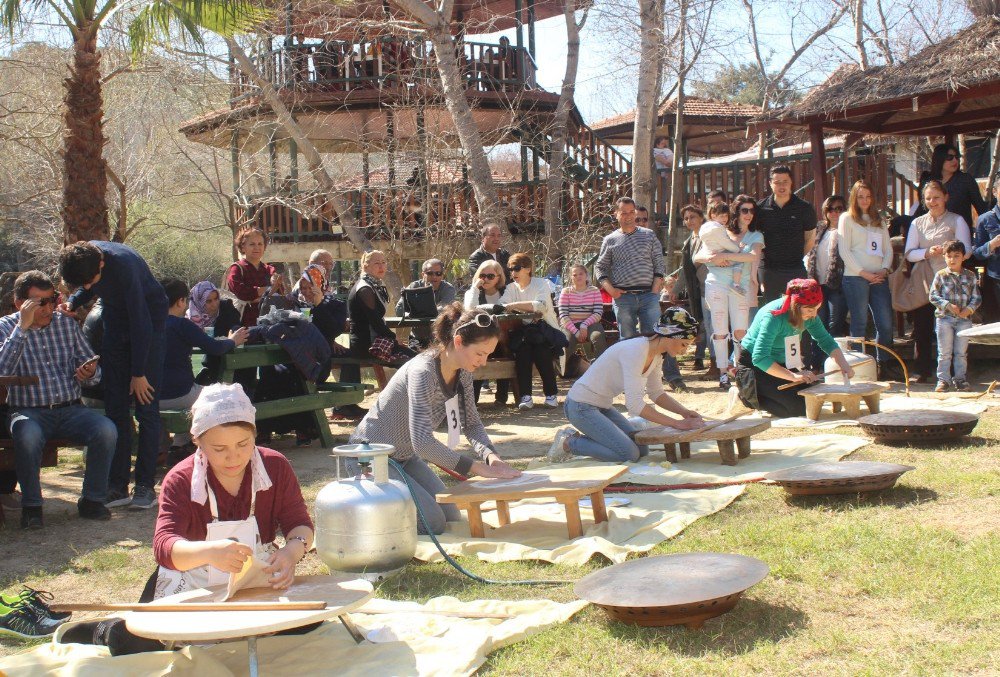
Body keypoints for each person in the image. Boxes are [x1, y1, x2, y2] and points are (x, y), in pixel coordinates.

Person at [58, 383, 315, 655]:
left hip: (252, 579)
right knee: (138, 644)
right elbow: (164, 546)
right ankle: (108, 629)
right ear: (198, 442)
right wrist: (209, 552)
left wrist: (291, 551)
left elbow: (299, 524)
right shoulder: (181, 478)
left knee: (310, 621)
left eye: (243, 444)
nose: (233, 456)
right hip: (191, 577)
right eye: (219, 448)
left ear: (255, 435)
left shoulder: (275, 465)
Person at [350, 305, 520, 534]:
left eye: (488, 355)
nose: (483, 362)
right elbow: (422, 442)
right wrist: (477, 468)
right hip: (368, 457)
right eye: (480, 354)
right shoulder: (423, 371)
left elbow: (471, 423)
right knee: (433, 523)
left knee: (451, 515)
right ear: (458, 341)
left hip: (403, 458)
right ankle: (363, 514)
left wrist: (491, 457)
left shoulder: (464, 372)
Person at [0, 271, 116, 529]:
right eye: (39, 302)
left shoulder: (66, 324)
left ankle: (92, 500)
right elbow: (2, 371)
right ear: (20, 304)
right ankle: (32, 506)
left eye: (51, 299)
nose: (48, 307)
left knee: (106, 430)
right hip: (28, 410)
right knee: (27, 436)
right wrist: (23, 328)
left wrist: (89, 372)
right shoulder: (5, 327)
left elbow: (91, 369)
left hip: (71, 408)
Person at [59, 240, 168, 510]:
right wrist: (73, 301)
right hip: (116, 327)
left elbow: (141, 322)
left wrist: (139, 373)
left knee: (146, 409)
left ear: (102, 264)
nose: (87, 287)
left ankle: (144, 486)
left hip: (148, 328)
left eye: (90, 281)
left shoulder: (124, 265)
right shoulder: (83, 259)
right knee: (116, 409)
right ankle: (117, 486)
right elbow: (85, 287)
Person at [549, 307, 704, 463]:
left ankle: (598, 435)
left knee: (642, 448)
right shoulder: (636, 350)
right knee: (628, 454)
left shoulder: (656, 355)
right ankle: (569, 443)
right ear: (670, 336)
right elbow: (634, 405)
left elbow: (656, 393)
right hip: (580, 406)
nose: (684, 351)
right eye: (684, 344)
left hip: (602, 407)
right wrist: (677, 424)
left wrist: (684, 412)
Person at [160, 279, 248, 465]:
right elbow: (214, 347)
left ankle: (177, 445)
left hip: (148, 395)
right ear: (181, 302)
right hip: (179, 393)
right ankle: (222, 444)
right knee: (220, 396)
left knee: (194, 393)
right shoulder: (181, 325)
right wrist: (233, 341)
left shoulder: (149, 324)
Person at [737, 279, 854, 418]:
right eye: (810, 310)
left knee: (813, 398)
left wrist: (844, 364)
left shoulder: (809, 314)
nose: (814, 315)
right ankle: (746, 395)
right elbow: (760, 357)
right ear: (796, 306)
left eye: (817, 309)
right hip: (755, 365)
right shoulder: (774, 316)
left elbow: (825, 340)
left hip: (782, 363)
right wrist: (793, 376)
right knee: (797, 409)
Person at [904, 180, 973, 383]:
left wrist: (950, 251)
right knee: (923, 327)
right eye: (928, 198)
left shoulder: (957, 220)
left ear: (945, 197)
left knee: (952, 328)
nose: (932, 202)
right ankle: (922, 369)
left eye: (936, 197)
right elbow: (909, 254)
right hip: (926, 281)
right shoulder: (917, 223)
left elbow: (967, 250)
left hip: (952, 283)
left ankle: (954, 374)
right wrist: (927, 252)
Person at [694, 196, 765, 388]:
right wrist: (711, 258)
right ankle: (723, 373)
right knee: (719, 330)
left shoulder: (755, 235)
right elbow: (698, 256)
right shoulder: (719, 231)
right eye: (744, 210)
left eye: (752, 210)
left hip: (740, 288)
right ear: (736, 212)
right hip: (716, 284)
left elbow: (751, 257)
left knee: (741, 330)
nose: (748, 214)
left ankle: (740, 370)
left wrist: (723, 255)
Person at [838, 180, 895, 376]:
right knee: (859, 322)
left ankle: (884, 364)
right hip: (856, 277)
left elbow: (887, 250)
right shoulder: (847, 218)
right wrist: (864, 273)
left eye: (868, 196)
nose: (865, 200)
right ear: (854, 198)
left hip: (878, 277)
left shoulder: (878, 220)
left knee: (885, 322)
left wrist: (884, 269)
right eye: (860, 196)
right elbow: (845, 251)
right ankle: (859, 368)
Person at [499, 253, 563, 409]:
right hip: (523, 333)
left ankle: (551, 395)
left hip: (546, 331)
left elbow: (539, 306)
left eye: (517, 268)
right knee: (522, 352)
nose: (513, 273)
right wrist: (514, 306)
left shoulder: (541, 284)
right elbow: (502, 305)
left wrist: (514, 305)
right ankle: (525, 396)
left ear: (528, 269)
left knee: (542, 351)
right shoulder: (510, 287)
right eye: (510, 269)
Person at [341, 250, 415, 385]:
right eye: (376, 263)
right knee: (414, 360)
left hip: (375, 340)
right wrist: (394, 340)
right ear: (365, 266)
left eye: (383, 262)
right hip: (368, 345)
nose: (381, 267)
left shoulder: (373, 285)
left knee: (415, 358)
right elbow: (376, 323)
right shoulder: (364, 289)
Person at [755, 166, 817, 302]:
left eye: (785, 181)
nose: (781, 186)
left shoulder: (804, 208)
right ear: (770, 183)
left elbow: (810, 239)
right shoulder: (760, 208)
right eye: (777, 182)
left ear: (791, 183)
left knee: (796, 311)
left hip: (795, 268)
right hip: (768, 269)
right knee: (772, 310)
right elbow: (755, 240)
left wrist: (794, 256)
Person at [929, 240, 980, 392]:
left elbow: (977, 298)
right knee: (944, 352)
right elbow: (933, 296)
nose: (952, 259)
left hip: (964, 320)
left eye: (956, 256)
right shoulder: (941, 275)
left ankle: (960, 379)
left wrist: (969, 310)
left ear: (963, 257)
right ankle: (943, 380)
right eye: (949, 256)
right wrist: (948, 305)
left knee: (961, 352)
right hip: (944, 319)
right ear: (944, 257)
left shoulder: (970, 276)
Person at [671, 205, 712, 384]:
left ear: (701, 217)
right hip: (697, 291)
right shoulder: (689, 241)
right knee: (703, 326)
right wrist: (675, 289)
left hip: (712, 287)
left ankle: (718, 365)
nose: (689, 221)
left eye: (692, 217)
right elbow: (684, 271)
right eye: (686, 218)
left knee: (712, 328)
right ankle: (709, 362)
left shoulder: (708, 236)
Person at [806, 195, 848, 370]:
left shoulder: (847, 229)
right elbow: (809, 252)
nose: (835, 212)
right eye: (831, 209)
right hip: (818, 283)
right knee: (818, 324)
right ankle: (817, 363)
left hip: (837, 283)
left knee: (835, 322)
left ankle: (833, 363)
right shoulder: (819, 229)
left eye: (839, 208)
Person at [464, 259, 509, 405]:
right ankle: (473, 400)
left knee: (507, 350)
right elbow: (469, 310)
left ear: (499, 277)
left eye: (490, 276)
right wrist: (476, 288)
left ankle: (502, 398)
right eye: (482, 276)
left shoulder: (507, 291)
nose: (486, 279)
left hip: (503, 337)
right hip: (480, 338)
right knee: (476, 354)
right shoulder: (472, 292)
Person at [915, 143, 990, 232]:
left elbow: (981, 208)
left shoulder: (965, 180)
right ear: (939, 159)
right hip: (930, 233)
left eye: (956, 157)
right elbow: (922, 210)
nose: (955, 160)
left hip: (959, 234)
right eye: (950, 157)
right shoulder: (927, 180)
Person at [395, 258, 457, 349]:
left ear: (442, 275)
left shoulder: (448, 289)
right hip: (417, 338)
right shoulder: (414, 286)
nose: (434, 276)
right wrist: (425, 311)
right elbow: (399, 309)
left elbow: (444, 310)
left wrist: (415, 311)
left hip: (440, 339)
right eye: (430, 273)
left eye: (438, 273)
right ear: (423, 274)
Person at [225, 226, 277, 328]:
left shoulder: (270, 270)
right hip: (243, 324)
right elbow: (240, 293)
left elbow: (277, 294)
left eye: (260, 244)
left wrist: (256, 298)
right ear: (243, 246)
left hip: (269, 323)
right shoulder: (237, 269)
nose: (256, 247)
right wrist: (263, 291)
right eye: (252, 244)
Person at [698, 203, 748, 297]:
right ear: (713, 215)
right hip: (720, 254)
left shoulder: (705, 227)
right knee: (740, 261)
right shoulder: (717, 229)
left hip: (710, 257)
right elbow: (725, 242)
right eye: (721, 216)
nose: (724, 218)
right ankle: (736, 285)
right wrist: (738, 249)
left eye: (726, 215)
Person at [558, 265, 607, 362]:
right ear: (571, 277)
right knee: (566, 341)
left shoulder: (594, 291)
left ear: (586, 275)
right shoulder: (566, 292)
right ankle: (562, 370)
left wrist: (584, 325)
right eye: (574, 275)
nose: (578, 277)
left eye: (581, 274)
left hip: (591, 324)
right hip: (570, 325)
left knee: (597, 336)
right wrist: (576, 332)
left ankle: (601, 366)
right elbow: (563, 315)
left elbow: (598, 312)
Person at [972, 175, 1000, 321]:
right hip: (996, 277)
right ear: (995, 192)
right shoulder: (985, 219)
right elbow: (977, 253)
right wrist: (992, 244)